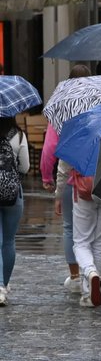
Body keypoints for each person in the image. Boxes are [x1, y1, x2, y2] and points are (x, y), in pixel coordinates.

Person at [43, 64, 91, 295]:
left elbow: (53, 149)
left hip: (72, 182)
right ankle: (94, 272)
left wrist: (53, 186)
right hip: (97, 179)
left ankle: (75, 276)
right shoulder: (100, 106)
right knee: (97, 231)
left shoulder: (63, 110)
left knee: (71, 229)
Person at [0, 115, 30, 305]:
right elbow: (26, 168)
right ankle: (4, 285)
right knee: (8, 242)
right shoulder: (18, 136)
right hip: (13, 194)